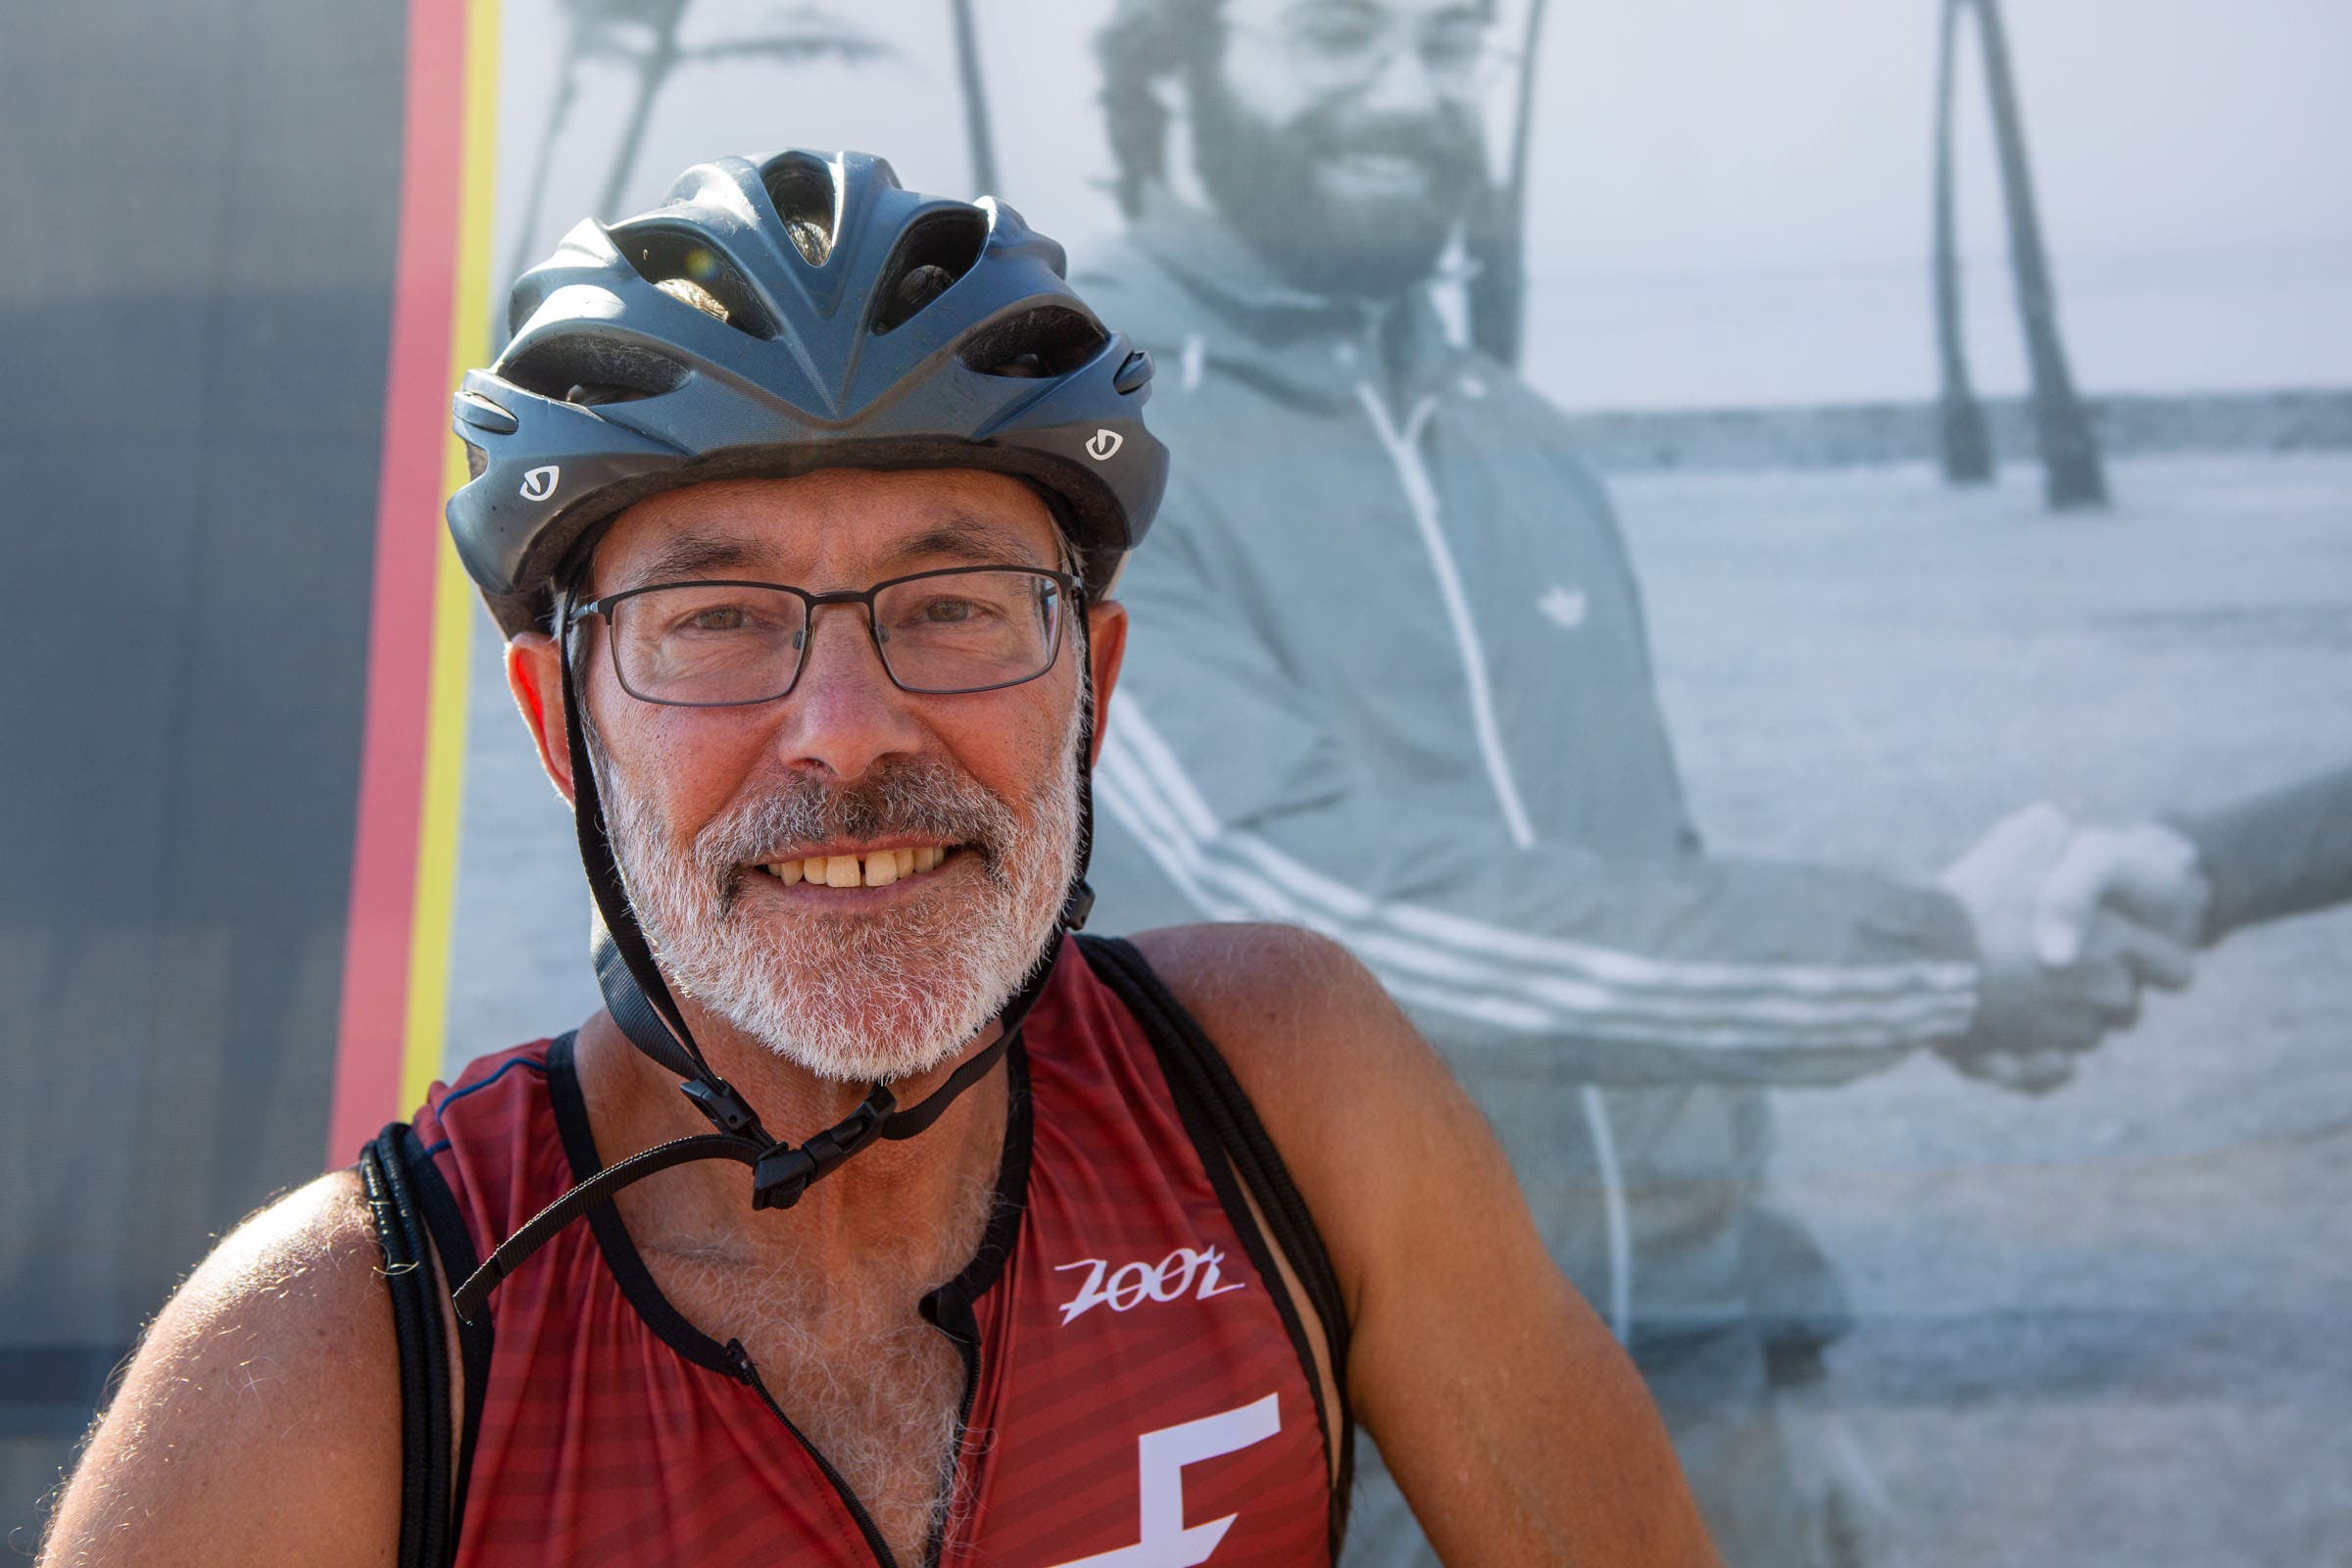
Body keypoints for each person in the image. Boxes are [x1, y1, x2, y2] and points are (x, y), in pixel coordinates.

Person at [38, 152, 1721, 1567]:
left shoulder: (1284, 1092)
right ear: (563, 728)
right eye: (715, 621)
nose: (850, 729)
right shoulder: (348, 1355)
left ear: (1095, 692)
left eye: (955, 607)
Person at [1077, 3, 2197, 1562]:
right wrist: (1932, 966)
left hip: (1680, 1400)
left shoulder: (1516, 439)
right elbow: (1315, 927)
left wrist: (1787, 1361)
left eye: (1454, 41)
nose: (1409, 91)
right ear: (1172, 65)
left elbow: (1646, 884)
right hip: (1333, 1440)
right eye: (1339, 37)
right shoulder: (1077, 448)